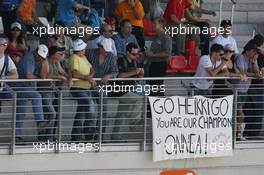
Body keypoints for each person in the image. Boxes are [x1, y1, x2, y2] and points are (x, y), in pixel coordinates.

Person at [15, 45, 49, 142]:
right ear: (36, 50)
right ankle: (40, 121)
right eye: (39, 55)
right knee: (37, 96)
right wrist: (39, 78)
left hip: (24, 87)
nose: (40, 58)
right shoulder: (29, 58)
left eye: (42, 57)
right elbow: (29, 76)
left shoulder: (39, 59)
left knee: (20, 113)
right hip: (19, 86)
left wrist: (45, 62)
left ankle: (17, 137)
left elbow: (44, 75)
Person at [111, 43, 144, 141]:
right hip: (119, 91)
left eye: (137, 54)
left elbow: (139, 77)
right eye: (133, 54)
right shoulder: (121, 60)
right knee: (140, 99)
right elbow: (119, 76)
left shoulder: (135, 62)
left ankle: (115, 136)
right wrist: (135, 72)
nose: (136, 56)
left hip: (128, 89)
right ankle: (134, 120)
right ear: (127, 52)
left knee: (120, 114)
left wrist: (140, 74)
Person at [39, 46, 70, 141]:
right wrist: (59, 77)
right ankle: (44, 138)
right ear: (54, 54)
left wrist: (70, 79)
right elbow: (44, 76)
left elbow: (64, 73)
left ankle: (49, 137)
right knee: (51, 114)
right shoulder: (45, 62)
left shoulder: (57, 62)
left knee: (54, 114)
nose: (62, 56)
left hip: (53, 91)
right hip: (44, 91)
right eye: (60, 54)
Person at [69, 39, 97, 142]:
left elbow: (92, 69)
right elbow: (74, 74)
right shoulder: (74, 58)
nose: (85, 50)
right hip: (77, 88)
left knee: (81, 112)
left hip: (86, 88)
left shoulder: (83, 57)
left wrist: (90, 77)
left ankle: (76, 136)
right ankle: (88, 129)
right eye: (83, 49)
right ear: (80, 49)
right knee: (89, 103)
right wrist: (88, 78)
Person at [234, 39, 262, 141]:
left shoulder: (251, 59)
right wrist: (255, 74)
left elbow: (256, 72)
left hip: (244, 91)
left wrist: (254, 62)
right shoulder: (241, 57)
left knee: (240, 114)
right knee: (240, 114)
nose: (255, 53)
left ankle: (237, 133)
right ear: (247, 51)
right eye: (253, 51)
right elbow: (243, 72)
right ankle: (237, 134)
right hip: (237, 90)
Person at [145, 17, 172, 96]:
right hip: (153, 64)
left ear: (161, 25)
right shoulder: (156, 37)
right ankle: (152, 106)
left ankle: (157, 106)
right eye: (152, 23)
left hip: (160, 64)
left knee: (157, 86)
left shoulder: (166, 37)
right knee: (153, 86)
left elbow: (167, 53)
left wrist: (152, 54)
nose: (152, 25)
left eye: (155, 23)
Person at [244, 35, 264, 140]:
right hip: (254, 86)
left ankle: (249, 133)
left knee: (250, 109)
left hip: (249, 85)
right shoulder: (257, 55)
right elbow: (260, 72)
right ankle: (253, 133)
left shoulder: (251, 52)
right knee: (257, 109)